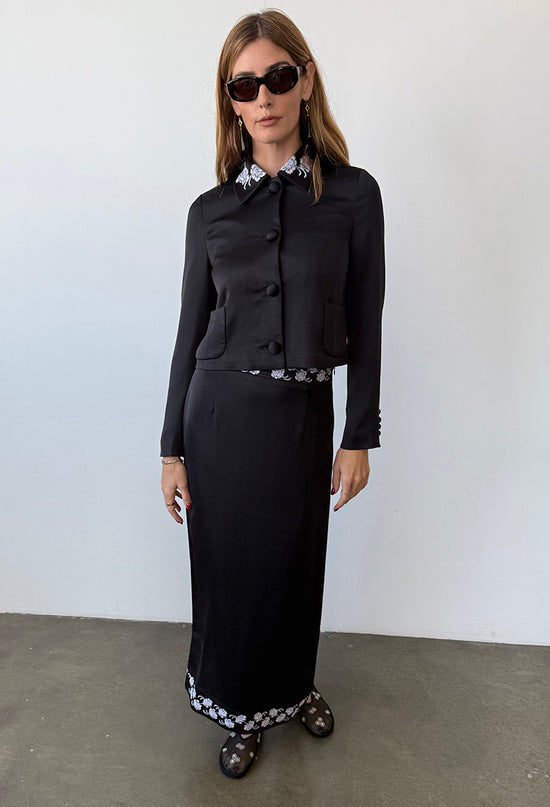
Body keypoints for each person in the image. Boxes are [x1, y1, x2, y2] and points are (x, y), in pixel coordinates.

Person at [159, 9, 385, 779]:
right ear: (231, 99)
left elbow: (366, 318)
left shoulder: (353, 197)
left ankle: (292, 688)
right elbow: (188, 334)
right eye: (245, 84)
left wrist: (359, 433)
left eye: (278, 77)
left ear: (306, 80)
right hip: (219, 416)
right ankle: (237, 704)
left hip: (301, 414)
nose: (264, 97)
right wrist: (170, 448)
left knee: (295, 564)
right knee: (232, 570)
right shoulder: (211, 212)